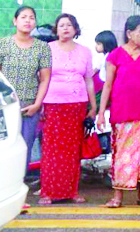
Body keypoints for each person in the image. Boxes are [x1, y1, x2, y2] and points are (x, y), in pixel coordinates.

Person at [96, 16, 140, 209]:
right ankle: (117, 196)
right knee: (122, 154)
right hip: (122, 111)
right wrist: (101, 112)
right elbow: (107, 85)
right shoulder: (115, 55)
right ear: (129, 33)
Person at [38, 14, 96, 205]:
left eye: (69, 25)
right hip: (52, 105)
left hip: (77, 106)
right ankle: (48, 192)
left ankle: (72, 191)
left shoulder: (85, 52)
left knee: (72, 149)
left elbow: (88, 80)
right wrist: (39, 103)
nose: (65, 28)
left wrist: (93, 106)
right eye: (61, 25)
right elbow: (42, 78)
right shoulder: (47, 49)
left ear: (75, 29)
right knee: (52, 149)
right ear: (56, 29)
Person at [0, 6, 52, 175]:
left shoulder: (42, 48)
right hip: (5, 105)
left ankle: (18, 184)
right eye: (23, 17)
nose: (27, 20)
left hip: (29, 107)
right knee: (2, 147)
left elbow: (45, 79)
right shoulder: (1, 44)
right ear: (15, 21)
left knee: (24, 148)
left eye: (31, 17)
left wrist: (37, 104)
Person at [93, 30, 118, 105]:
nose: (96, 46)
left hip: (103, 86)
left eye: (98, 44)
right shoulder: (104, 56)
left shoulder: (109, 57)